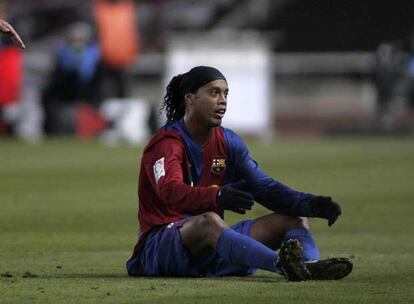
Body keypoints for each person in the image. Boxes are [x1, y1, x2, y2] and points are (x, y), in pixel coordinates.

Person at [126, 66, 353, 281]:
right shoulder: (167, 143)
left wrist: (310, 204)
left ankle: (308, 265)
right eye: (214, 93)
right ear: (190, 98)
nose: (222, 100)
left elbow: (264, 188)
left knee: (294, 218)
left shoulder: (228, 142)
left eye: (225, 94)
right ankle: (282, 265)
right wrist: (217, 197)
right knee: (209, 221)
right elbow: (169, 191)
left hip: (211, 246)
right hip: (160, 248)